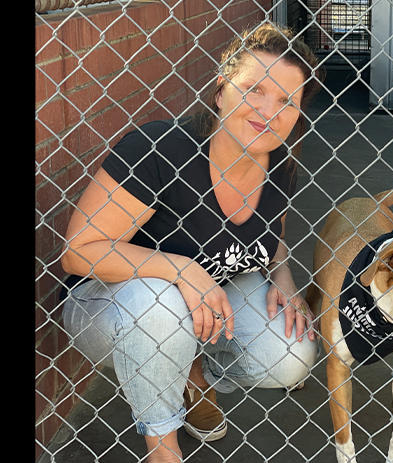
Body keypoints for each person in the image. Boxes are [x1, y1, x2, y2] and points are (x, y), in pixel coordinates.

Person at [59, 23, 324, 463]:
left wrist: (284, 275)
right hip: (110, 303)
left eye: (286, 101)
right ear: (221, 91)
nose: (267, 110)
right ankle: (163, 446)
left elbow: (269, 234)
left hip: (210, 300)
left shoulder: (281, 163)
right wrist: (181, 268)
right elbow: (79, 251)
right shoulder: (159, 149)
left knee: (291, 355)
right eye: (254, 89)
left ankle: (191, 374)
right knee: (160, 303)